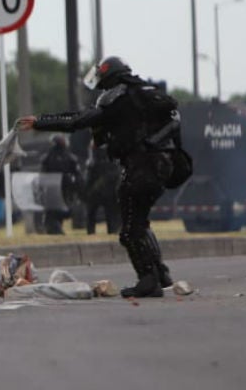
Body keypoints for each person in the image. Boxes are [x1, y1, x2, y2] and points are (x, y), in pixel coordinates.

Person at [19, 56, 181, 298]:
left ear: (109, 77)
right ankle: (161, 274)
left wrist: (40, 122)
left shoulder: (117, 98)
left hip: (141, 166)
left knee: (128, 230)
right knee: (140, 221)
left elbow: (78, 120)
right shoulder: (145, 92)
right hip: (162, 165)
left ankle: (148, 280)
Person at [39, 134, 80, 235]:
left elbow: (76, 174)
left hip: (60, 190)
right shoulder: (51, 157)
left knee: (55, 213)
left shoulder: (66, 157)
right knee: (54, 213)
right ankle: (55, 229)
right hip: (58, 190)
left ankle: (55, 229)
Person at [82, 141, 121, 235]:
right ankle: (108, 231)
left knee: (106, 214)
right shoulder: (94, 162)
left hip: (102, 192)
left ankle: (105, 231)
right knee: (103, 214)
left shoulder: (94, 162)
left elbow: (88, 178)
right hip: (102, 192)